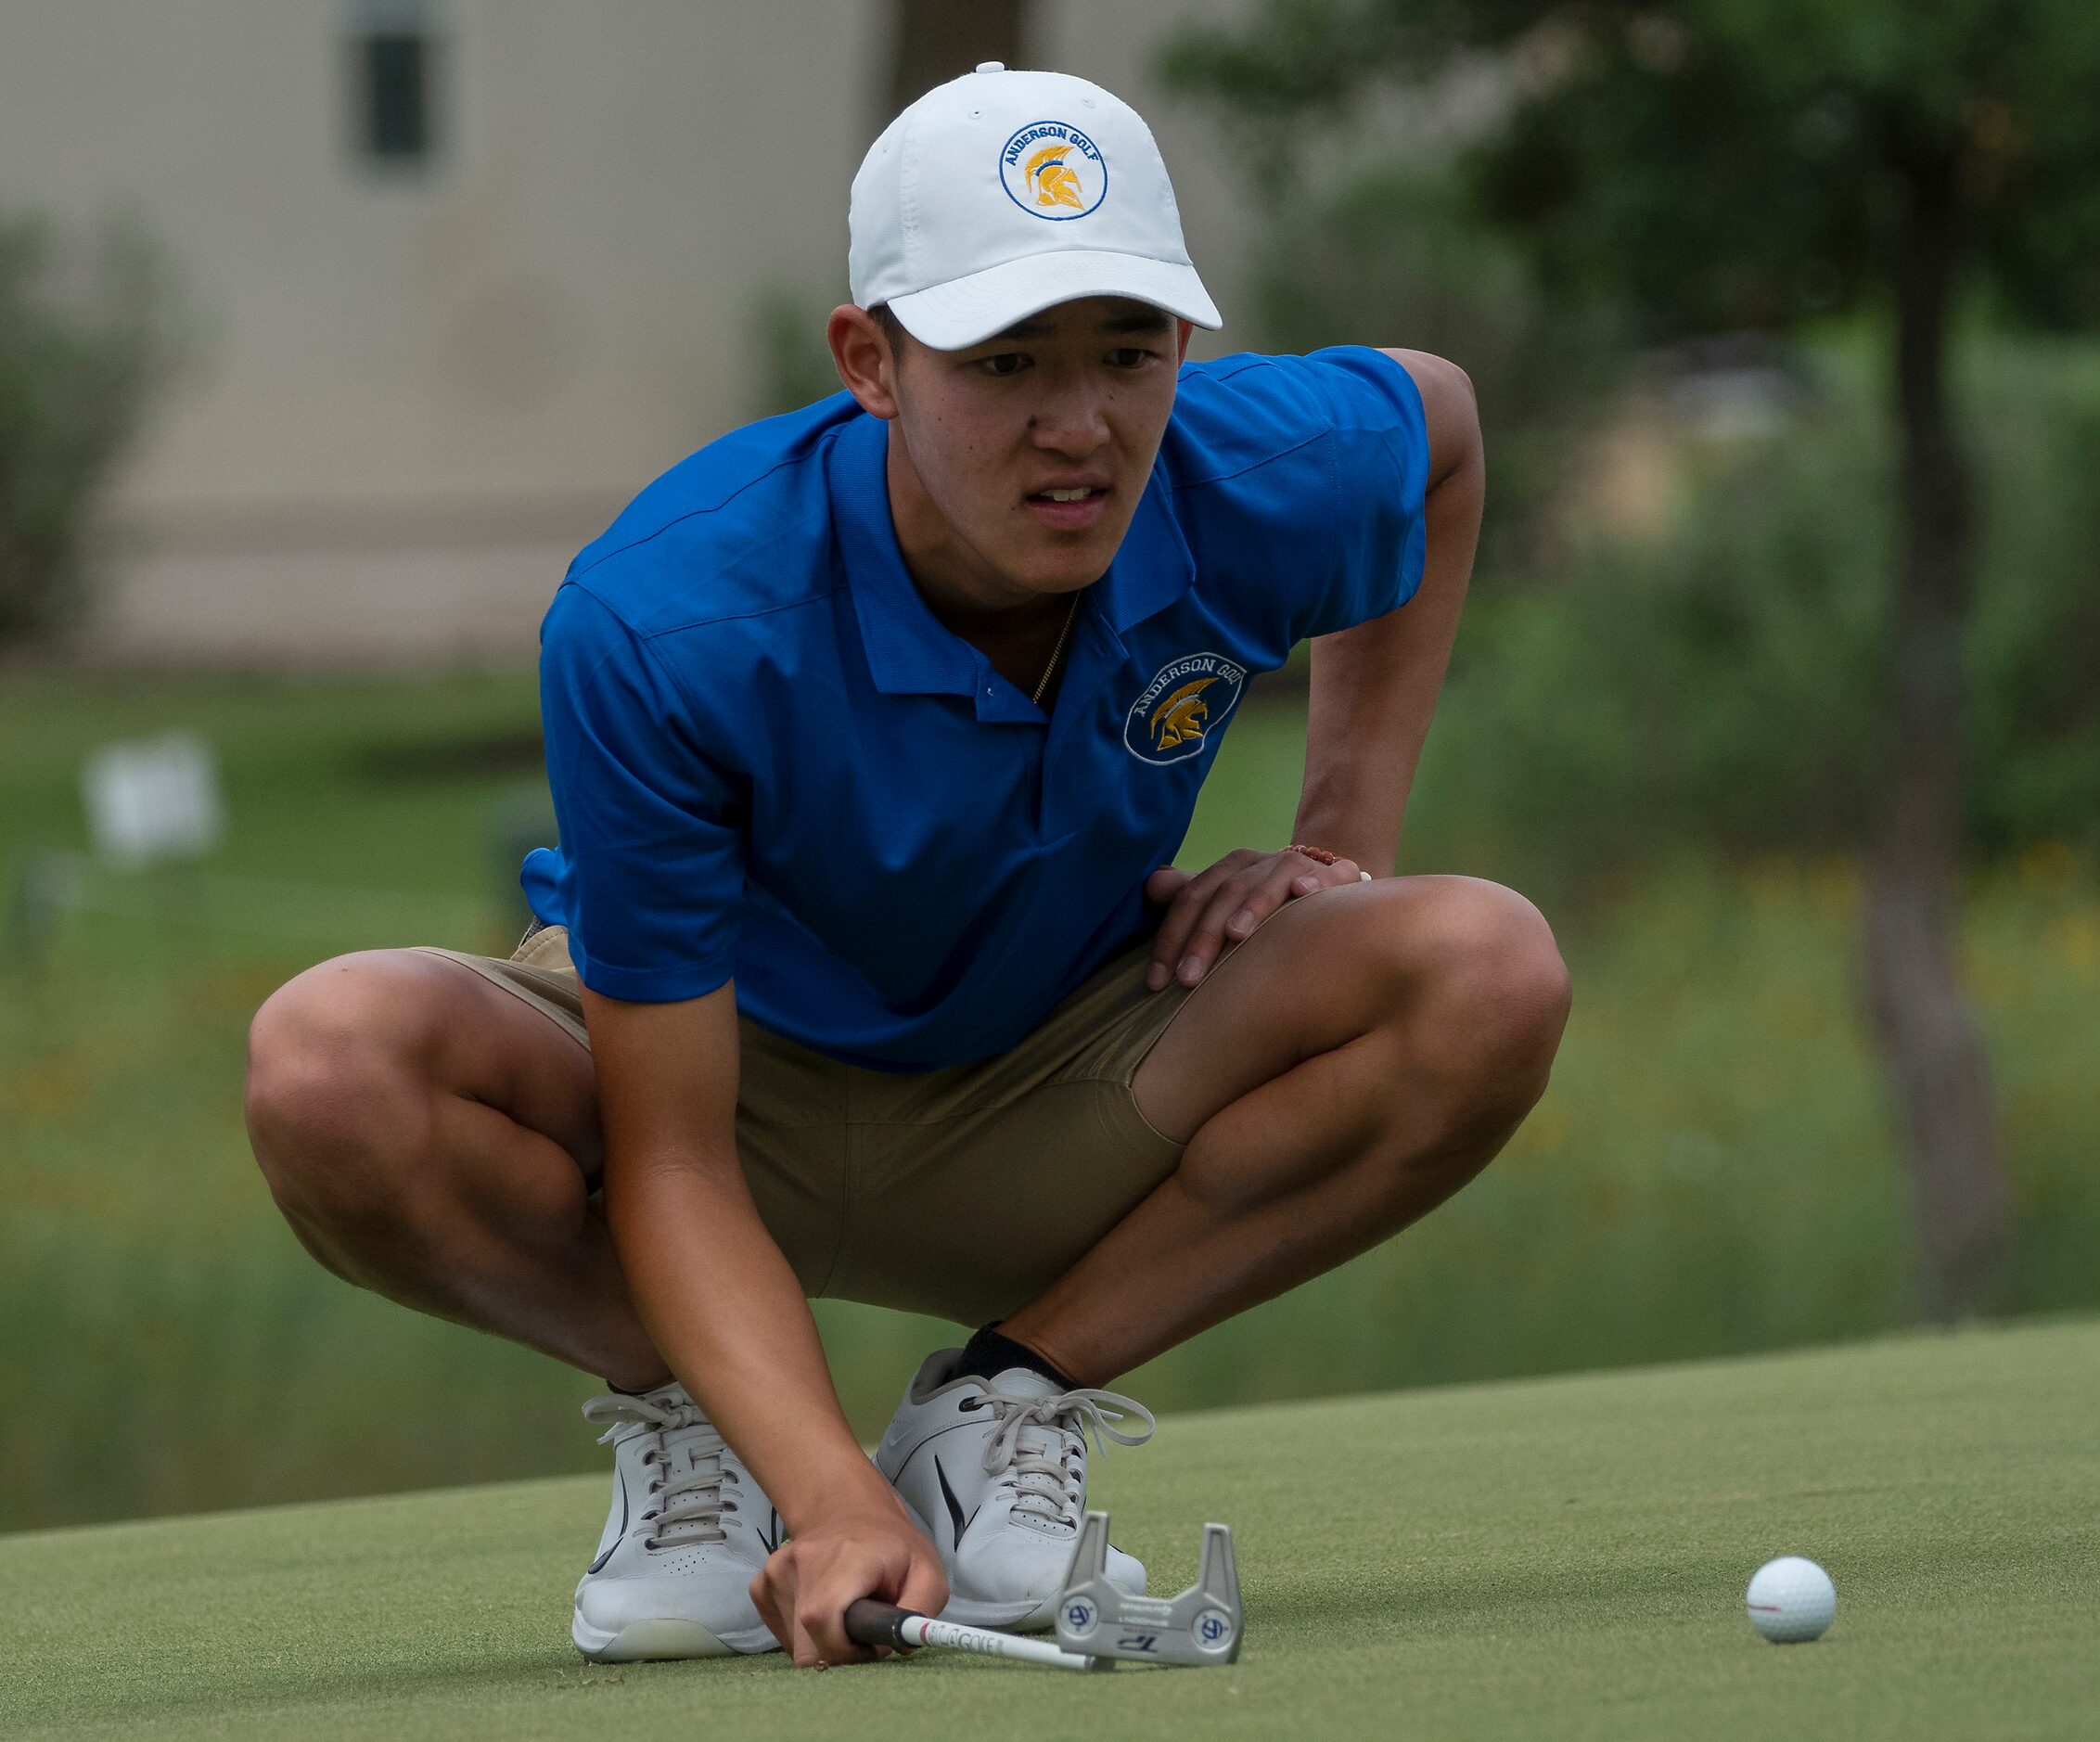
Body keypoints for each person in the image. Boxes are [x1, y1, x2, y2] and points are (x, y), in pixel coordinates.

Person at [241, 62, 1569, 1673]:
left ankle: (1000, 1400)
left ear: (1184, 349)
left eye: (1127, 351)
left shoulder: (1250, 473)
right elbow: (672, 1158)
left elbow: (1438, 428)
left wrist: (1339, 845)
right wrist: (825, 1490)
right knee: (327, 1062)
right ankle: (715, 1435)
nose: (1078, 425)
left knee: (1487, 972)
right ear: (871, 361)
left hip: (1064, 1078)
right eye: (1005, 360)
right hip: (707, 1090)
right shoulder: (666, 616)